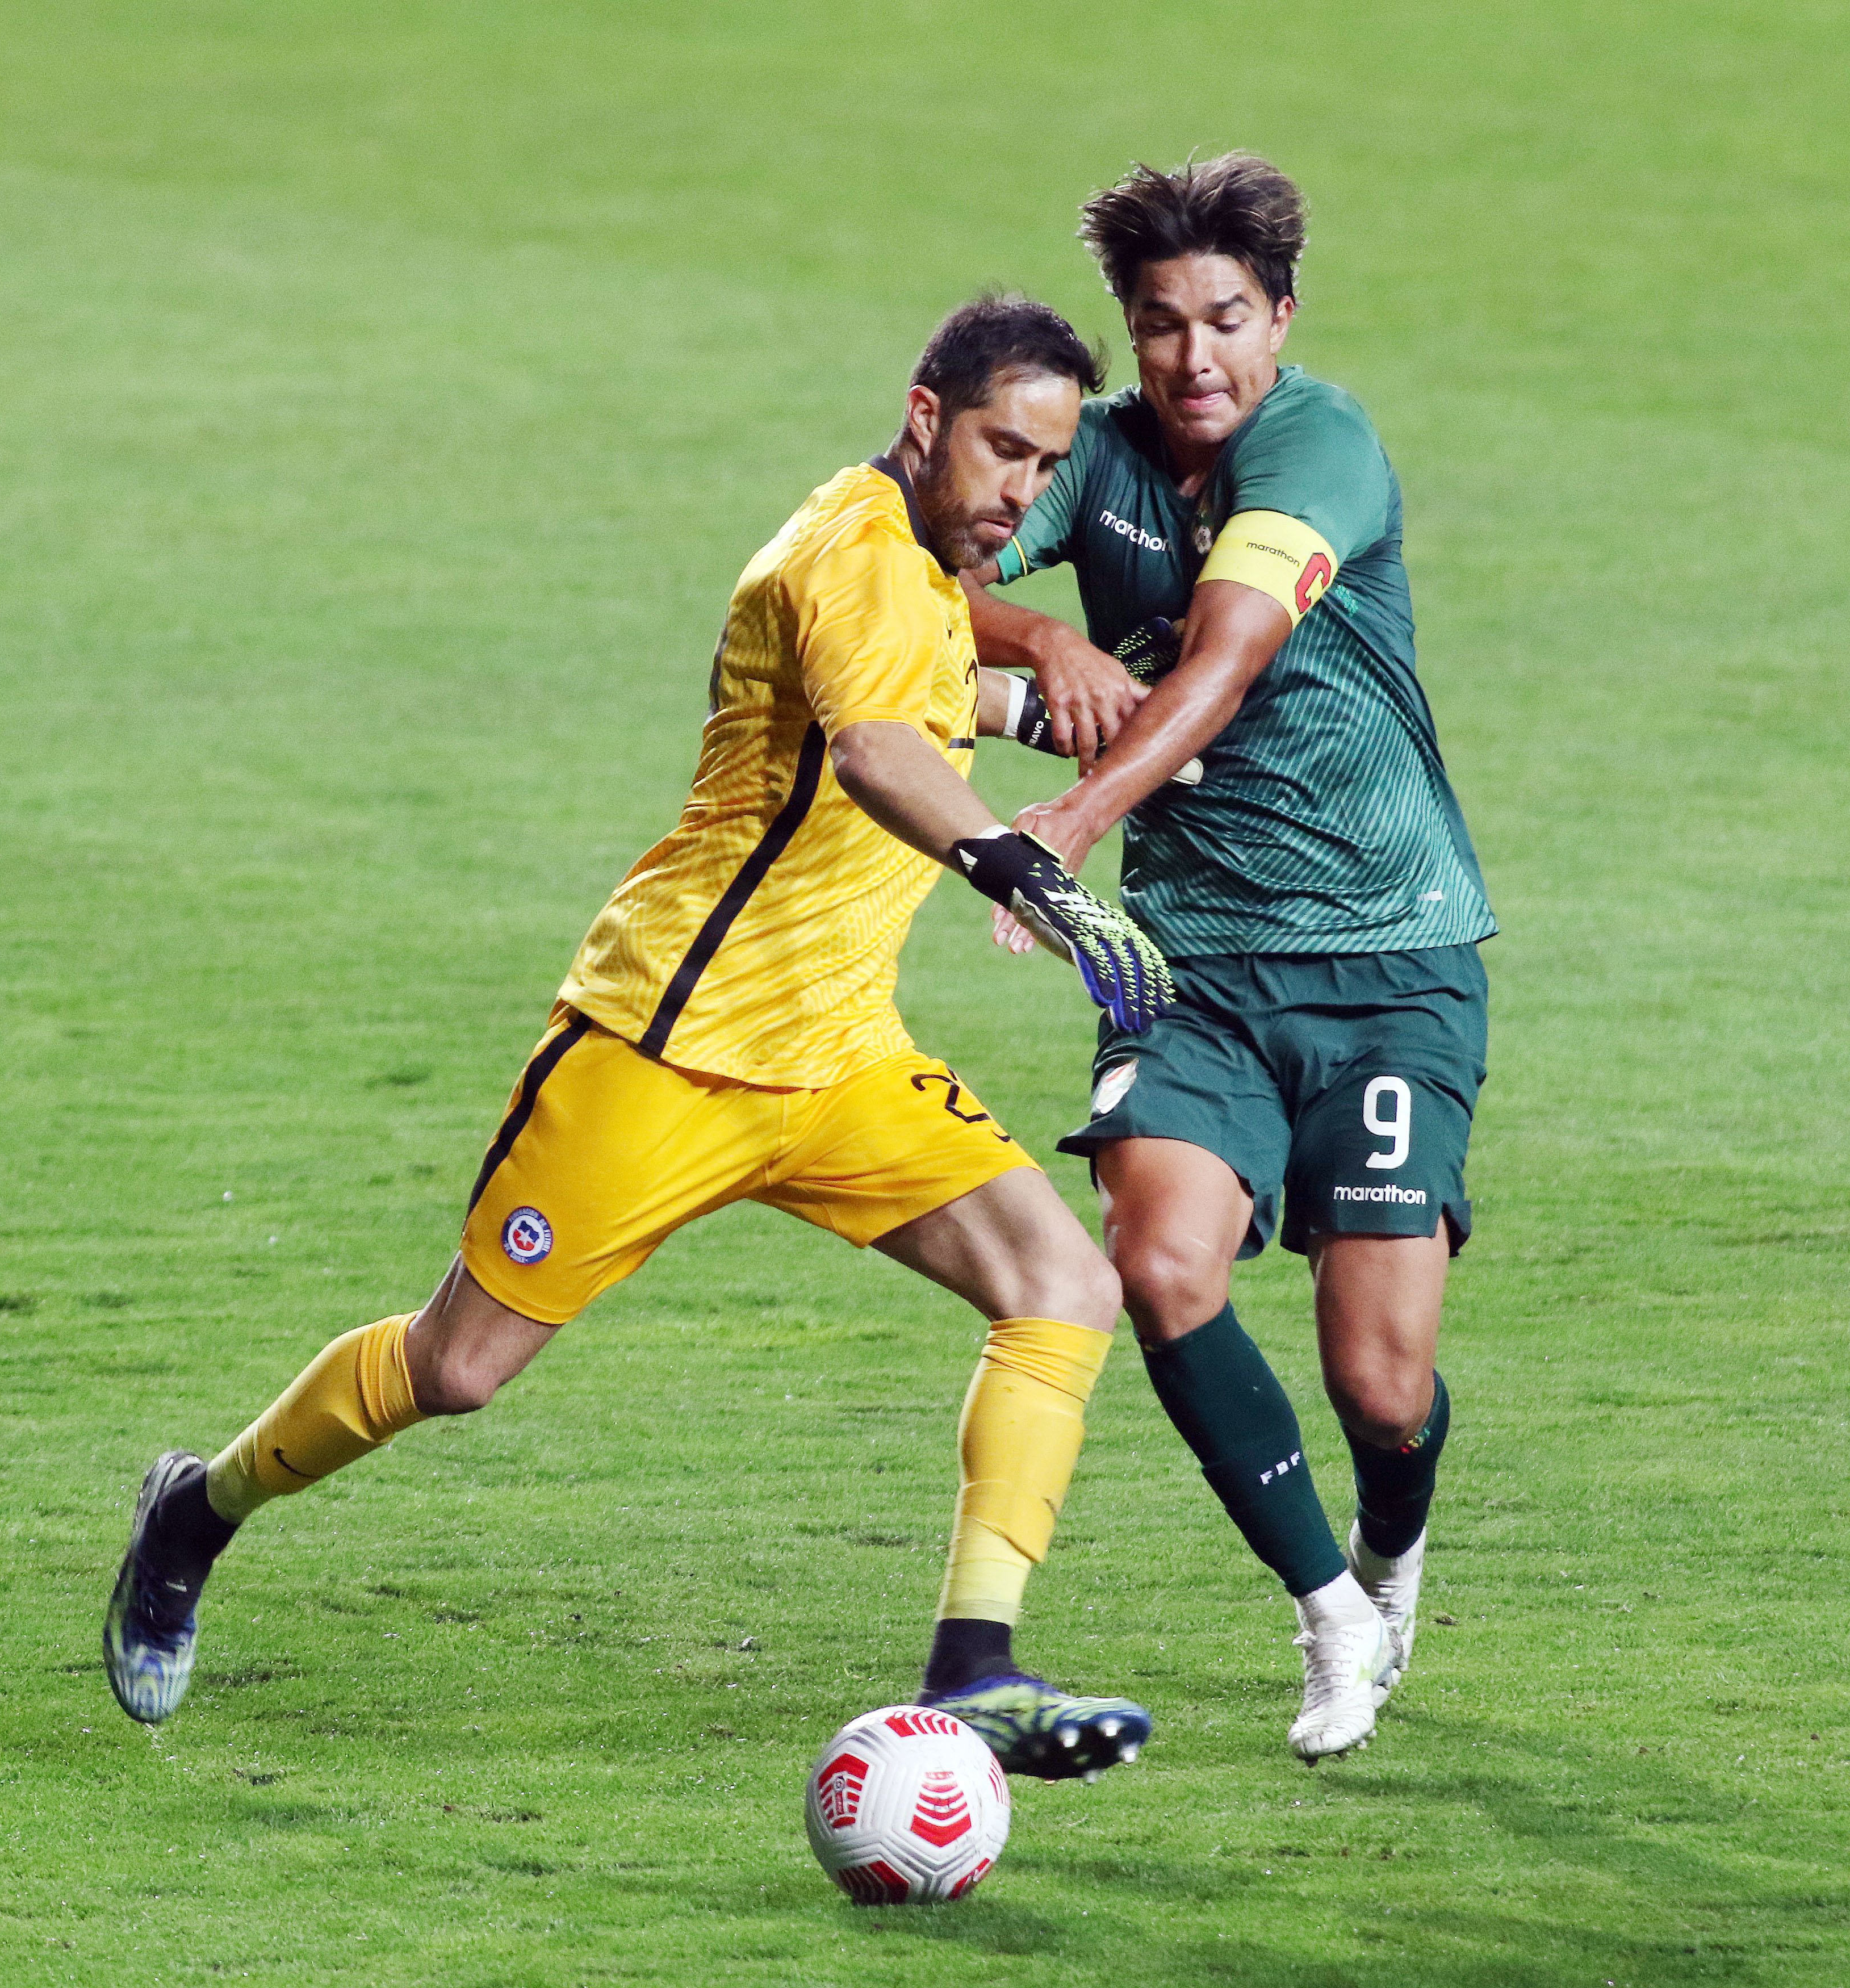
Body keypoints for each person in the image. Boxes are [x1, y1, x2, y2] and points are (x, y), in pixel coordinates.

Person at [100, 294, 1177, 1780]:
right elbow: (871, 756)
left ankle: (976, 1665)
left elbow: (923, 702)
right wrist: (1036, 879)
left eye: (1044, 462)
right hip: (665, 1046)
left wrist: (1059, 701)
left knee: (1061, 1282)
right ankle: (195, 1508)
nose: (1018, 490)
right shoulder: (847, 552)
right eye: (1001, 446)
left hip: (840, 1062)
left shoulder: (926, 572)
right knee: (457, 1366)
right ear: (926, 414)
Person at [964, 156, 1496, 1763]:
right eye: (1159, 327)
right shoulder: (1102, 452)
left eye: (1224, 322)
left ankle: (1393, 1540)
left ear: (1280, 319)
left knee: (1381, 1379)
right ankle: (1329, 1605)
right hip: (1195, 962)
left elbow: (1226, 654)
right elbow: (923, 566)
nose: (1194, 360)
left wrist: (1065, 817)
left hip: (1387, 959)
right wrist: (1039, 637)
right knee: (1159, 1259)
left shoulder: (1317, 446)